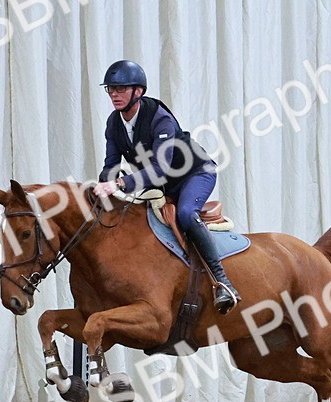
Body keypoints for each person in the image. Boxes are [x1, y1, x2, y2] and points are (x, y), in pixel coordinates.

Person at [92, 60, 241, 314]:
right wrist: (101, 186)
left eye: (120, 89)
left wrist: (121, 183)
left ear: (138, 92)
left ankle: (223, 282)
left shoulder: (159, 119)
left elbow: (159, 168)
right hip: (161, 184)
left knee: (185, 214)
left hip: (195, 174)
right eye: (111, 89)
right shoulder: (113, 123)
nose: (114, 95)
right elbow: (111, 165)